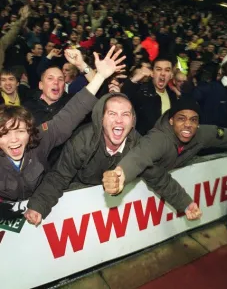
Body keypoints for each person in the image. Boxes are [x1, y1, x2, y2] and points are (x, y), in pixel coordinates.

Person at [102, 97, 227, 220]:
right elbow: (140, 155)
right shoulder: (159, 139)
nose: (188, 125)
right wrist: (121, 174)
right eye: (181, 119)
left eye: (194, 120)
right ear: (171, 121)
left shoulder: (202, 134)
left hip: (156, 176)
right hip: (113, 166)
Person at [0, 46, 125, 216]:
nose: (14, 139)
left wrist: (100, 75)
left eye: (20, 131)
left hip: (48, 201)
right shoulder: (29, 106)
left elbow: (75, 109)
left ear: (30, 131)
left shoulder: (40, 139)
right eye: (5, 133)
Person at [25, 92, 139, 225]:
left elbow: (157, 175)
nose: (119, 120)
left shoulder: (139, 145)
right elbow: (60, 175)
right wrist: (38, 205)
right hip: (80, 199)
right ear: (101, 118)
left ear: (132, 121)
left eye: (125, 114)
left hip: (114, 209)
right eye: (112, 114)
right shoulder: (82, 140)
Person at [122, 57, 177, 135]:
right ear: (152, 73)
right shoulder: (141, 92)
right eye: (158, 69)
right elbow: (124, 99)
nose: (163, 73)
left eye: (167, 70)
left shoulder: (172, 95)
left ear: (171, 75)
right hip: (144, 143)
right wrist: (134, 80)